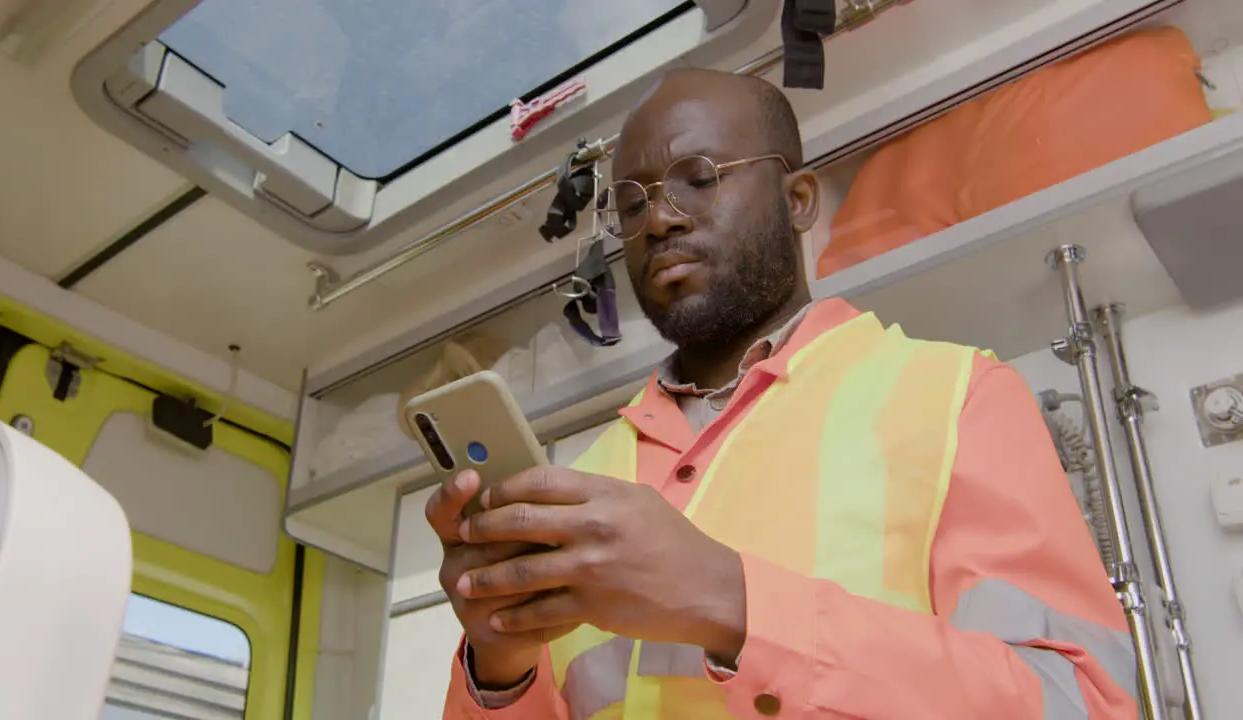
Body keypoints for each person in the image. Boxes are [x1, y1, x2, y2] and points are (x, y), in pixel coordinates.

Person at [426, 68, 1137, 719]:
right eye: (632, 202)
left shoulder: (958, 399)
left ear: (798, 201)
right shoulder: (580, 483)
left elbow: (1082, 705)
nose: (660, 219)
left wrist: (736, 603)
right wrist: (501, 668)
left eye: (699, 177)